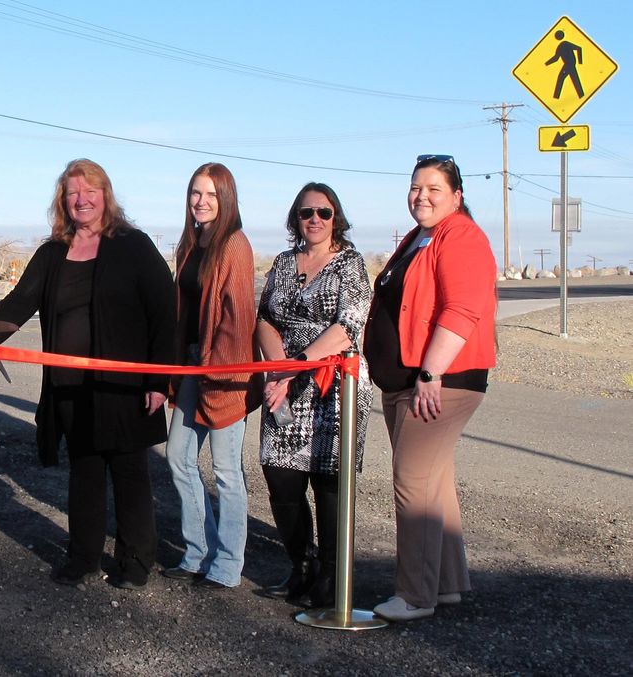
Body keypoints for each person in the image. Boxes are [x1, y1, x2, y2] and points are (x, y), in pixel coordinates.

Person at [0, 159, 175, 589]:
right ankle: (83, 556)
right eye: (73, 193)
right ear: (63, 201)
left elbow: (164, 313)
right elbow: (19, 303)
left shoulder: (133, 245)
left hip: (125, 385)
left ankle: (134, 562)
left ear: (106, 196)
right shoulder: (53, 252)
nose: (82, 199)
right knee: (85, 470)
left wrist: (158, 381)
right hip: (70, 387)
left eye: (90, 191)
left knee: (129, 472)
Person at [364, 155, 496, 621]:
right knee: (433, 483)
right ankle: (446, 584)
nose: (421, 195)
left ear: (456, 196)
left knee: (413, 484)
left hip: (439, 382)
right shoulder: (421, 236)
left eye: (433, 188)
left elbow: (462, 310)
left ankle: (415, 596)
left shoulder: (461, 236)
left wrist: (429, 374)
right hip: (409, 380)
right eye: (416, 187)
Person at [254, 182, 373, 608]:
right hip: (284, 380)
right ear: (295, 219)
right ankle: (300, 565)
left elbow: (350, 325)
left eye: (324, 212)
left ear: (336, 217)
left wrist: (298, 365)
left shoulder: (350, 264)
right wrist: (280, 366)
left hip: (333, 384)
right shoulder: (285, 263)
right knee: (280, 476)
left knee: (329, 481)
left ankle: (332, 575)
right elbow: (265, 317)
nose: (315, 220)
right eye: (307, 213)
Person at [162, 163, 258, 590]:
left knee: (226, 471)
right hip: (191, 365)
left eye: (210, 195)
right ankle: (197, 551)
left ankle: (227, 564)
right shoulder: (188, 245)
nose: (201, 202)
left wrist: (220, 372)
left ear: (226, 199)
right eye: (195, 194)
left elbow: (239, 318)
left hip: (225, 371)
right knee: (178, 457)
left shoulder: (235, 245)